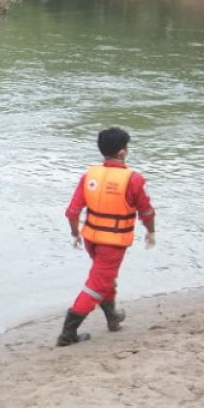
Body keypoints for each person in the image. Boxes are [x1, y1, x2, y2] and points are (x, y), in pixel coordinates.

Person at [58, 127, 156, 346]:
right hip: (112, 243)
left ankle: (112, 318)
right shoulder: (134, 179)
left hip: (91, 239)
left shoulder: (89, 175)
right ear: (122, 153)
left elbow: (72, 213)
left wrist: (75, 234)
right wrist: (151, 231)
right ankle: (68, 333)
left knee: (105, 278)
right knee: (96, 285)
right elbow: (147, 212)